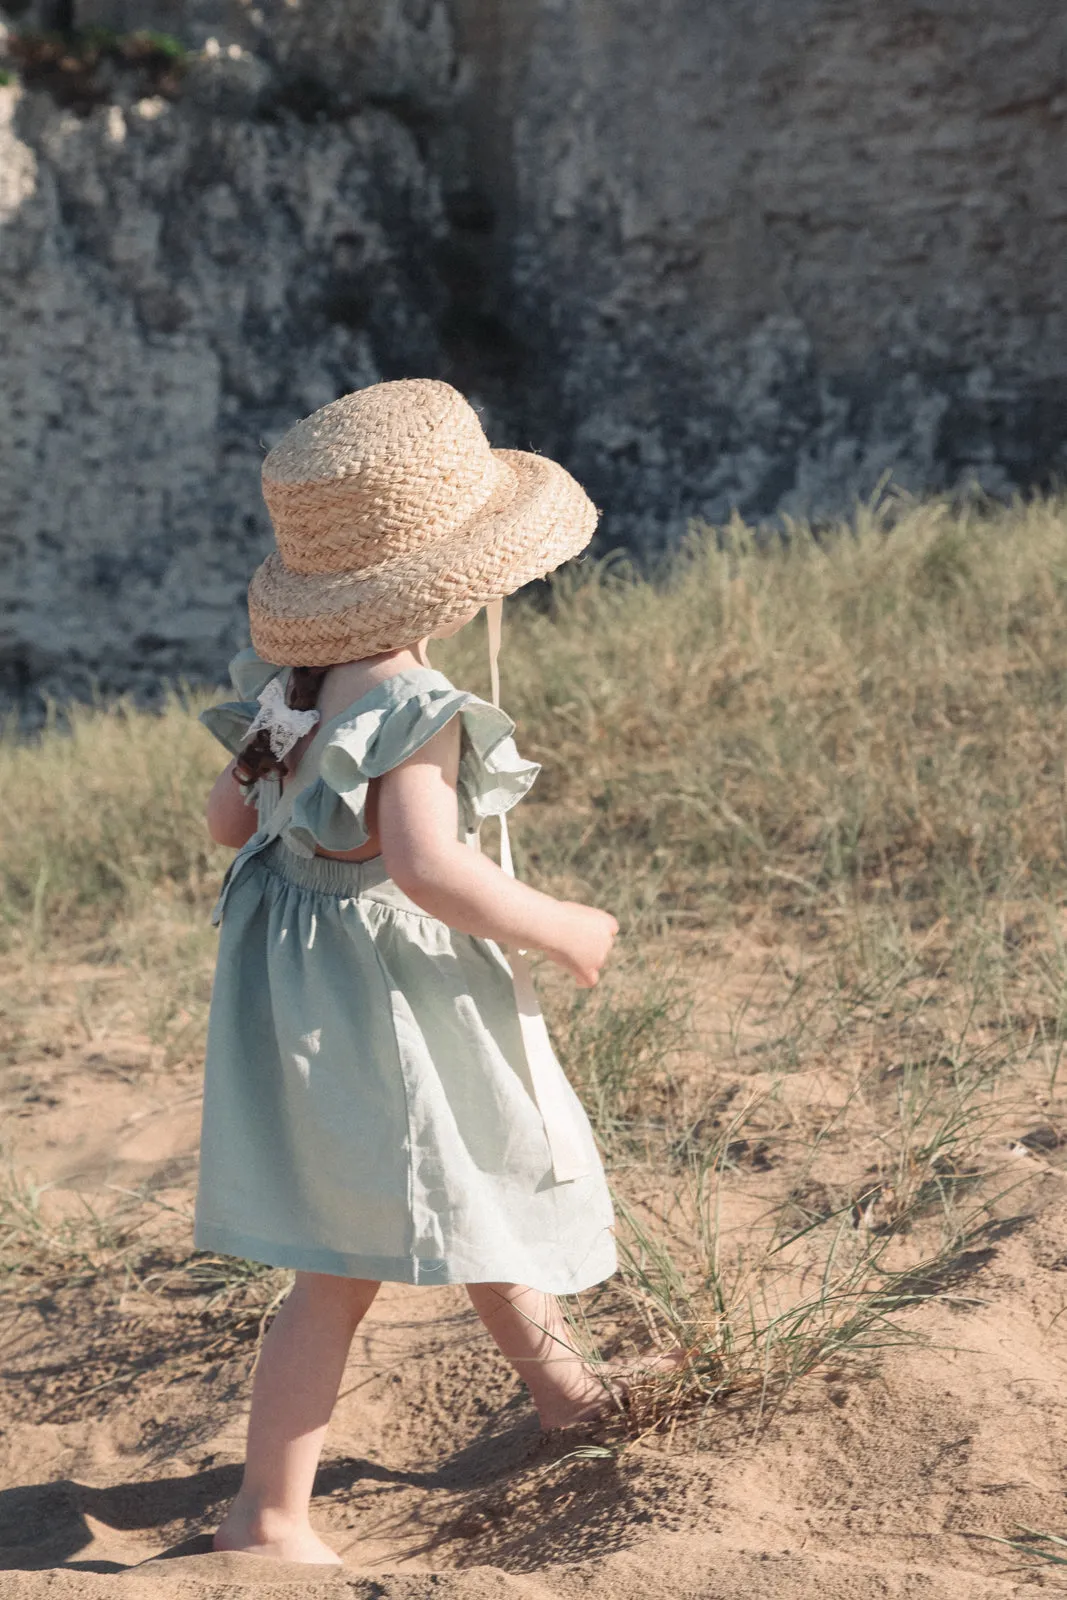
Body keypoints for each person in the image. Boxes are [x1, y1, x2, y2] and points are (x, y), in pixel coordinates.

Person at [196, 379, 628, 1566]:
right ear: (460, 573)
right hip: (388, 999)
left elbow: (229, 825)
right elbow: (428, 868)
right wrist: (559, 925)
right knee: (338, 1266)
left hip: (298, 990)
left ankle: (565, 1396)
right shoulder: (416, 703)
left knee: (468, 1179)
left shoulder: (288, 689)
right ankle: (267, 1517)